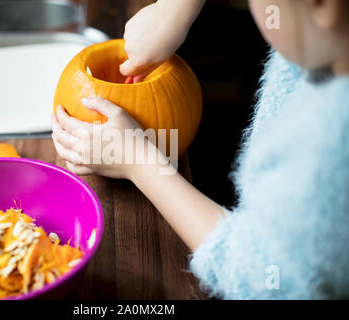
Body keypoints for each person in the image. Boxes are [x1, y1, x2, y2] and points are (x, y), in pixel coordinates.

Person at [51, 0, 349, 299]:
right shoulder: (321, 45)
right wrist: (176, 8)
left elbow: (260, 275)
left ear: (323, 6)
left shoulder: (331, 142)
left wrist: (139, 162)